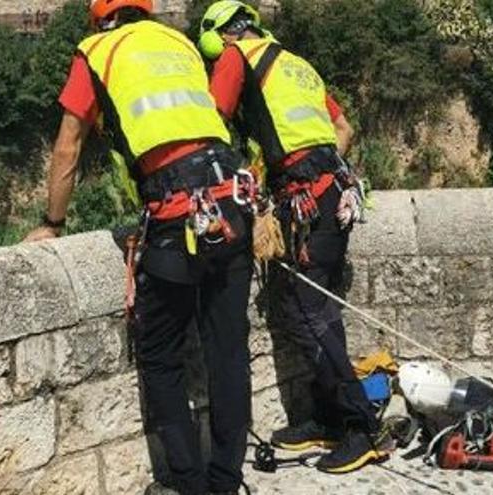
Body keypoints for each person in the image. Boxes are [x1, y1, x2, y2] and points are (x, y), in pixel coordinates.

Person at [23, 1, 254, 493]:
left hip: (175, 211)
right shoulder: (180, 43)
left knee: (158, 352)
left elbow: (69, 146)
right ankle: (226, 481)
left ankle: (188, 484)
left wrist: (52, 222)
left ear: (101, 16)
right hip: (230, 197)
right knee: (229, 350)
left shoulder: (97, 50)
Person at [196, 0, 385, 475]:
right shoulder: (296, 64)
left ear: (221, 38)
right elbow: (342, 129)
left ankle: (361, 427)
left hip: (306, 198)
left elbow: (212, 119)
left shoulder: (238, 57)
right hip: (329, 192)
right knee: (307, 308)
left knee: (308, 314)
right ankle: (325, 419)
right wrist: (313, 170)